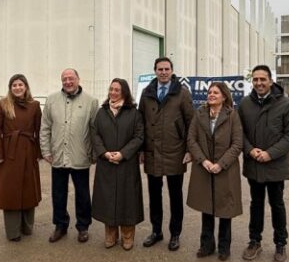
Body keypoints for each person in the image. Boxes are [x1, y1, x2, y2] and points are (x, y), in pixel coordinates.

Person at [238, 65, 289, 262]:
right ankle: (254, 241)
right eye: (255, 79)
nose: (259, 83)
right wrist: (250, 150)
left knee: (277, 205)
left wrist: (270, 153)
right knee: (255, 204)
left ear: (271, 81)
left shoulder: (285, 104)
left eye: (262, 79)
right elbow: (240, 134)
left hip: (276, 165)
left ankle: (280, 243)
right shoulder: (245, 104)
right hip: (253, 164)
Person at [138, 57, 195, 251]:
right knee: (154, 195)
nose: (163, 72)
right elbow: (140, 123)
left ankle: (175, 234)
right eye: (160, 69)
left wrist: (189, 150)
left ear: (172, 71)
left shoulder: (182, 93)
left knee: (175, 195)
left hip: (175, 152)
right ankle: (156, 231)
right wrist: (141, 150)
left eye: (166, 69)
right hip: (152, 152)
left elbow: (191, 123)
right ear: (155, 71)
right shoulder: (146, 93)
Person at [40, 68, 99, 243]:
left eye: (71, 78)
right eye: (64, 79)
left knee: (82, 194)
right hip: (58, 156)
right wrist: (46, 151)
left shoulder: (91, 102)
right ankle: (60, 225)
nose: (67, 82)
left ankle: (83, 227)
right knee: (58, 193)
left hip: (80, 156)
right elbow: (45, 128)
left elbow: (95, 130)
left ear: (78, 79)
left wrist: (95, 153)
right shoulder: (51, 101)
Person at [186, 81, 243, 261]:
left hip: (226, 170)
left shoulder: (232, 115)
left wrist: (221, 164)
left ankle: (224, 248)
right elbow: (191, 140)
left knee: (225, 209)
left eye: (215, 93)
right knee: (206, 207)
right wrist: (203, 161)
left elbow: (237, 144)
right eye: (209, 92)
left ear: (224, 96)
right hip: (204, 169)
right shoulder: (200, 114)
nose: (211, 95)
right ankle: (206, 245)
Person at [92, 78, 145, 250]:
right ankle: (110, 233)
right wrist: (104, 153)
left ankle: (128, 235)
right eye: (111, 89)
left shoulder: (134, 113)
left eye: (117, 90)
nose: (113, 92)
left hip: (126, 164)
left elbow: (139, 137)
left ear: (124, 92)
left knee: (127, 200)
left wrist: (123, 154)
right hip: (106, 163)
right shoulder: (102, 112)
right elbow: (95, 134)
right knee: (108, 199)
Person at [0, 74, 43, 242]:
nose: (17, 87)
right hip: (9, 154)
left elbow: (40, 130)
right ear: (10, 88)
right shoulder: (3, 105)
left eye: (20, 84)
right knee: (10, 191)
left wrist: (40, 153)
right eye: (14, 85)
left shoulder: (34, 106)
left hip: (28, 152)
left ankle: (27, 227)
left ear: (26, 87)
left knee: (29, 189)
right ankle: (13, 231)